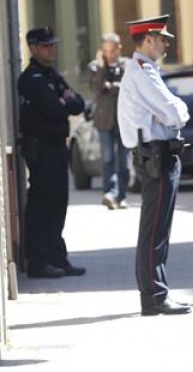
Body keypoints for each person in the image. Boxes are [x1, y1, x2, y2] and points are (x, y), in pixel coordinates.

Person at [117, 15, 192, 316]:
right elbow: (174, 111)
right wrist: (177, 111)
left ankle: (156, 293)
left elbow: (174, 110)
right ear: (147, 39)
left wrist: (175, 110)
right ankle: (154, 296)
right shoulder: (142, 71)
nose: (166, 45)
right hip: (155, 155)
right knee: (154, 230)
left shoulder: (147, 71)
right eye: (162, 39)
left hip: (160, 153)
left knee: (158, 228)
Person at [18, 26, 87, 278]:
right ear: (34, 48)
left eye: (52, 45)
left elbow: (77, 105)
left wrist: (64, 100)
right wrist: (62, 102)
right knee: (41, 204)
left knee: (58, 204)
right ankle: (38, 261)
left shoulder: (52, 76)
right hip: (41, 148)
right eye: (46, 45)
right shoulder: (31, 79)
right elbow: (55, 111)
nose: (51, 49)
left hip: (57, 146)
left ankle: (58, 257)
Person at [89, 32, 129, 210]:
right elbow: (97, 89)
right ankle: (109, 194)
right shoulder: (96, 67)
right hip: (104, 120)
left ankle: (121, 196)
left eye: (112, 51)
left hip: (124, 120)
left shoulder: (128, 65)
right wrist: (102, 67)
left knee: (124, 161)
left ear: (119, 49)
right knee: (107, 158)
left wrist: (112, 87)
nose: (109, 54)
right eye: (105, 51)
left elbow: (128, 88)